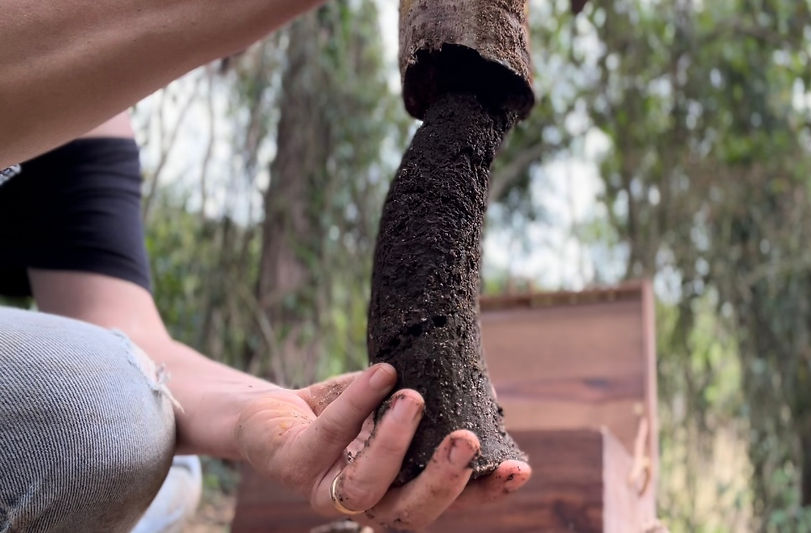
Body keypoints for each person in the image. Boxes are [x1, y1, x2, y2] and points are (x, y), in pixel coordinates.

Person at [0, 2, 532, 530]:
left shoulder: (95, 122)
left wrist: (268, 416)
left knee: (167, 460)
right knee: (104, 417)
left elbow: (126, 334)